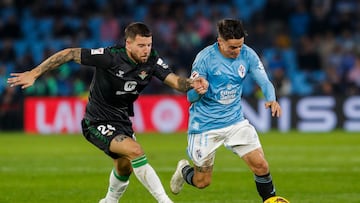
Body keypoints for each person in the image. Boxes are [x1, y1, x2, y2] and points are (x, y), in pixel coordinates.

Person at [7, 22, 208, 203]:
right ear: (128, 44)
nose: (146, 50)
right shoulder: (110, 57)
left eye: (148, 45)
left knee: (124, 167)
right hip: (95, 121)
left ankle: (109, 201)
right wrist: (34, 73)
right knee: (136, 151)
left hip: (121, 120)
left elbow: (176, 82)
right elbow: (69, 53)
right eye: (141, 45)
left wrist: (191, 83)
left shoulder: (152, 60)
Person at [169, 19, 289, 202]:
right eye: (232, 47)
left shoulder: (247, 54)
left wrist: (271, 98)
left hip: (235, 121)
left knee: (261, 165)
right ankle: (183, 170)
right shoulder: (204, 59)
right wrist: (199, 91)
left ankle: (270, 200)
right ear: (220, 41)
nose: (237, 51)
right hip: (205, 125)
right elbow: (190, 98)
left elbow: (264, 81)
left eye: (240, 46)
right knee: (202, 182)